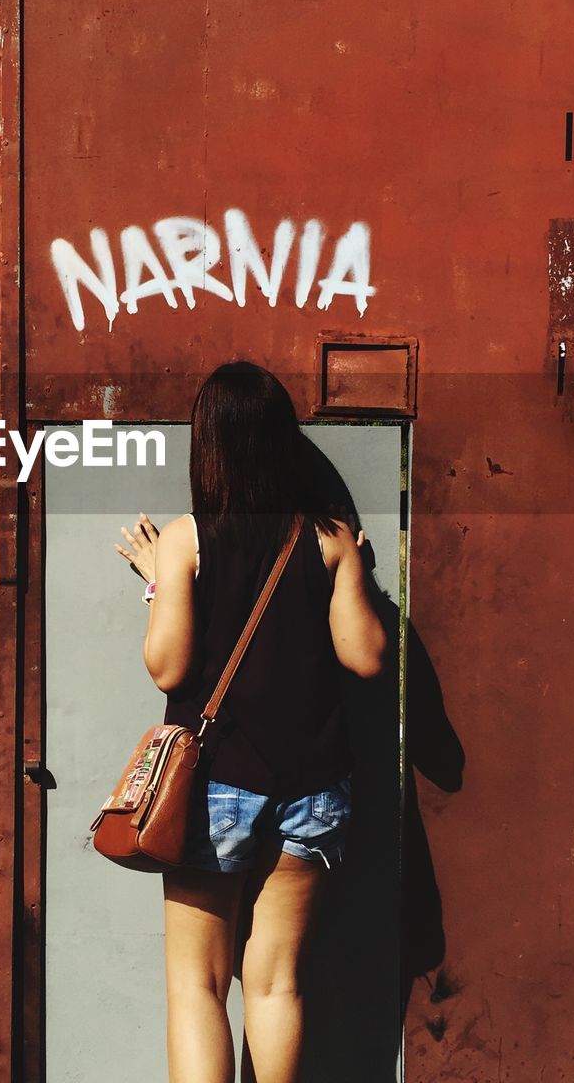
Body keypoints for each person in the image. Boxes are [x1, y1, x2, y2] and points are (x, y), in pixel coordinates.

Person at [113, 361, 386, 1083]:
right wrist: (356, 570)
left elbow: (169, 670)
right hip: (315, 790)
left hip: (219, 789)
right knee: (275, 983)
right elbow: (365, 658)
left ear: (208, 445)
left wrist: (159, 582)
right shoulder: (327, 537)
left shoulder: (186, 539)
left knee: (197, 985)